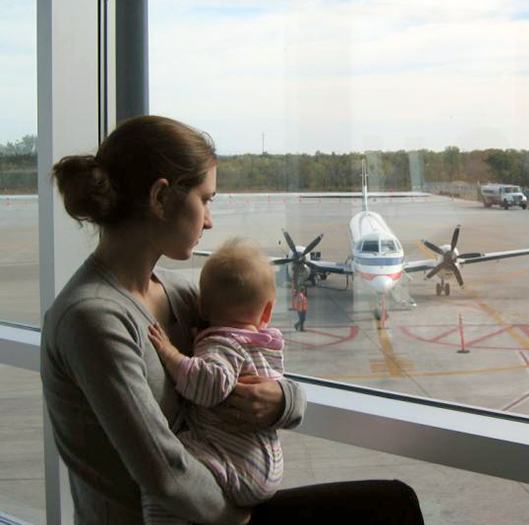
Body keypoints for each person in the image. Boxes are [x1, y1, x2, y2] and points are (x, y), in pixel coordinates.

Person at [40, 115, 424, 524]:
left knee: (393, 503)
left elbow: (255, 362)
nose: (209, 220)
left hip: (216, 503)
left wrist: (282, 401)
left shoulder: (184, 294)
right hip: (183, 516)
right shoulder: (92, 319)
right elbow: (166, 474)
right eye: (205, 200)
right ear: (160, 198)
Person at [142, 238, 288, 524]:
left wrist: (171, 354)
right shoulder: (262, 343)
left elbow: (209, 386)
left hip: (233, 461)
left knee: (162, 479)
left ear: (202, 307)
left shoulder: (221, 343)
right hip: (261, 459)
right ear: (267, 312)